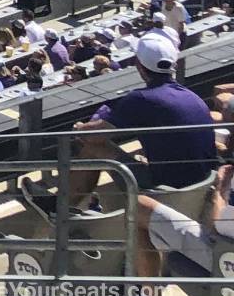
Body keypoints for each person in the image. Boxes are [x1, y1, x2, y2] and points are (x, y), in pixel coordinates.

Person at [77, 30, 218, 219]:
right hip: (201, 188)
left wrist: (79, 128)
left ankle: (58, 206)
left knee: (93, 146)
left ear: (138, 65)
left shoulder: (140, 98)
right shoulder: (191, 96)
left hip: (170, 192)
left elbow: (94, 135)